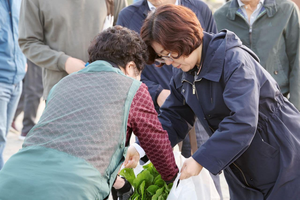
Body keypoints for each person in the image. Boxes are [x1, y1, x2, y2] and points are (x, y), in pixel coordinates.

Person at [134, 4, 300, 199]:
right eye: (163, 57)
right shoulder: (182, 73)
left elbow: (242, 120)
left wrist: (199, 160)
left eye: (170, 54)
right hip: (241, 166)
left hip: (281, 154)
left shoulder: (233, 60)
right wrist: (142, 147)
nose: (169, 62)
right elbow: (174, 116)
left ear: (185, 37)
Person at [0, 26, 178, 200]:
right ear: (131, 67)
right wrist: (173, 180)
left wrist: (119, 183)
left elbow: (65, 146)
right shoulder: (134, 89)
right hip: (72, 191)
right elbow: (157, 145)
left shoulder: (63, 84)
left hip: (11, 178)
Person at [18, 0, 127, 101]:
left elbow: (126, 39)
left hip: (105, 92)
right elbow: (28, 42)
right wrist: (63, 62)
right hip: (60, 94)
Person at [213, 0, 300, 111]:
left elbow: (297, 61)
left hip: (279, 103)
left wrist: (296, 109)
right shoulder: (219, 17)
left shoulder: (287, 10)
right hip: (239, 107)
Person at [0, 0, 26, 170]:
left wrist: (24, 61)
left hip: (17, 80)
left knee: (3, 138)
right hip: (1, 80)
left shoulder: (19, 2)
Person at [11, 59, 43, 140]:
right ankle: (27, 130)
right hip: (37, 51)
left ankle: (11, 118)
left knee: (26, 89)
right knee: (34, 89)